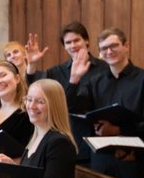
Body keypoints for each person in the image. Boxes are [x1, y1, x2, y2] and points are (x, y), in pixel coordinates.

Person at [65, 27, 144, 178]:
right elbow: (73, 108)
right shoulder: (96, 81)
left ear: (126, 46)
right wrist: (74, 79)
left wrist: (119, 130)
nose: (109, 51)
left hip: (130, 157)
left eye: (114, 46)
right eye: (104, 48)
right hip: (101, 157)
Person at [29, 22, 101, 164]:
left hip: (98, 141)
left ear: (86, 40)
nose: (73, 45)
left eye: (76, 40)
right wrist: (31, 65)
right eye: (68, 42)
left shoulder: (104, 68)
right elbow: (35, 94)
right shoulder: (55, 72)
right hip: (67, 139)